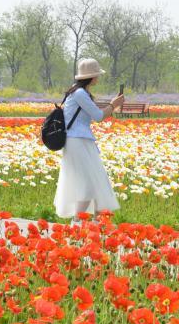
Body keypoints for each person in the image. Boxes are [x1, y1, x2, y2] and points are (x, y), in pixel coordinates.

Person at [53, 58, 125, 220]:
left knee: (97, 182)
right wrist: (114, 105)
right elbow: (98, 116)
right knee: (89, 184)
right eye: (97, 75)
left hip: (81, 141)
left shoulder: (77, 91)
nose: (98, 78)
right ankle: (78, 222)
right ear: (92, 77)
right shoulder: (79, 93)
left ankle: (97, 223)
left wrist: (112, 105)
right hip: (77, 142)